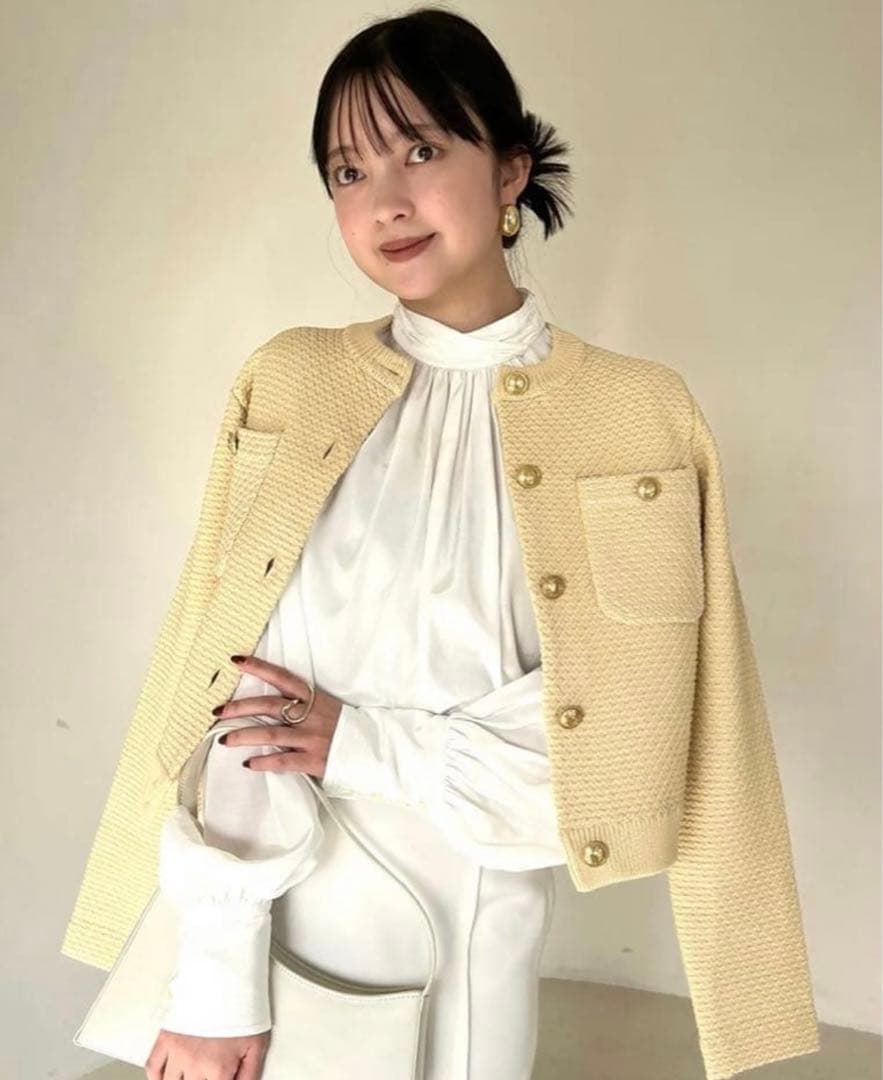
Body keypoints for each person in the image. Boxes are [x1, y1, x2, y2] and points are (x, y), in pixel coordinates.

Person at [148, 7, 577, 1080]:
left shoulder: (625, 416)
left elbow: (617, 743)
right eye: (347, 170)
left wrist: (365, 744)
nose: (383, 200)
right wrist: (215, 987)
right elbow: (241, 693)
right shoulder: (294, 385)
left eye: (419, 150)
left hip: (483, 938)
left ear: (510, 169)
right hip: (284, 927)